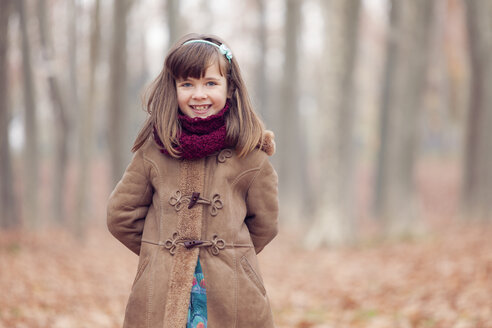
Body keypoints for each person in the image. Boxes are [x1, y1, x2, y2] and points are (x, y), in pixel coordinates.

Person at [107, 33, 279, 328]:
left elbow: (265, 223)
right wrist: (161, 252)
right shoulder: (155, 151)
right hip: (162, 290)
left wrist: (233, 255)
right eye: (187, 84)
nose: (198, 94)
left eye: (210, 83)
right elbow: (120, 215)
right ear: (173, 88)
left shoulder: (250, 155)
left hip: (233, 290)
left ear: (230, 89)